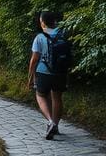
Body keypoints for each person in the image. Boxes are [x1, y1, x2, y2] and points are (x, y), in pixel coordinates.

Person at [28, 11, 70, 140]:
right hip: (61, 72)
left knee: (40, 95)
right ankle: (56, 126)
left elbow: (34, 60)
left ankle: (50, 121)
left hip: (44, 72)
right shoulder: (63, 34)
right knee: (57, 97)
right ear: (54, 21)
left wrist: (30, 76)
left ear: (43, 22)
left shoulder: (40, 37)